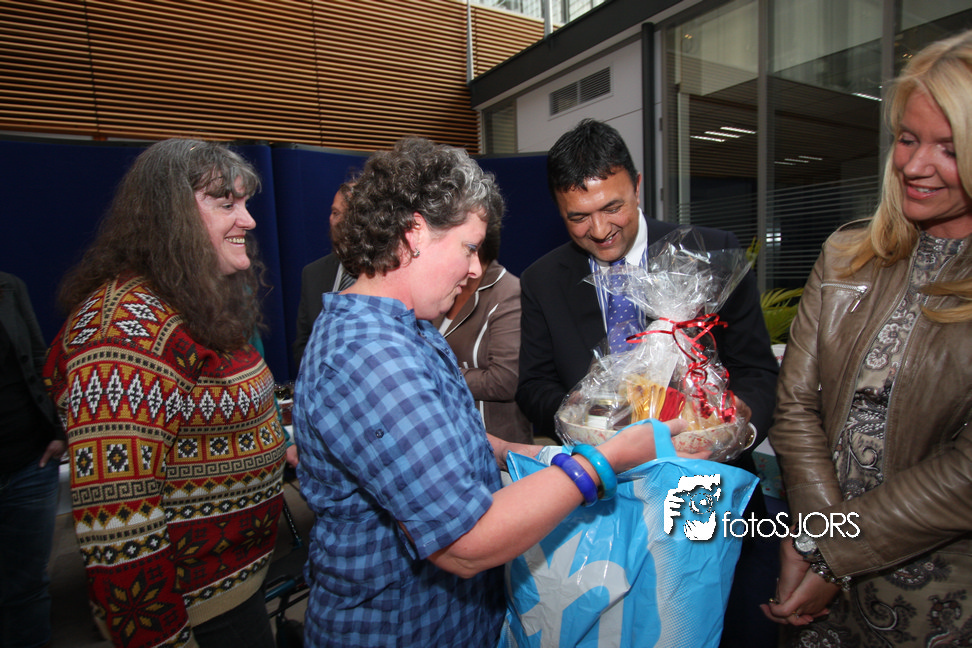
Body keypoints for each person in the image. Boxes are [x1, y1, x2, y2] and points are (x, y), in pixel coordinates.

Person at [293, 135, 698, 647]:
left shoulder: (406, 328)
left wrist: (516, 452)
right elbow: (467, 544)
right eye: (468, 247)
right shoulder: (372, 355)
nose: (473, 268)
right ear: (414, 233)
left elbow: (434, 449)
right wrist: (607, 459)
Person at [515, 118, 781, 647]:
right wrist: (589, 417)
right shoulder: (543, 279)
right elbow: (533, 385)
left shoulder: (710, 254)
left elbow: (757, 372)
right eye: (578, 217)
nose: (599, 230)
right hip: (603, 505)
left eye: (613, 207)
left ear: (637, 186)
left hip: (709, 493)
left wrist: (732, 430)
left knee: (726, 628)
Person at [763, 30, 972, 646]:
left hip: (937, 600)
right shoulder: (846, 253)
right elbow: (796, 407)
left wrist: (832, 554)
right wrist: (817, 542)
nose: (914, 165)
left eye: (948, 148)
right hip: (816, 572)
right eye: (907, 139)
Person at [44, 139, 286, 648]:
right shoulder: (120, 333)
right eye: (226, 203)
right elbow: (119, 529)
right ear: (168, 215)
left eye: (246, 203)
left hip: (232, 589)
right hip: (194, 611)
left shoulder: (188, 301)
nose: (248, 220)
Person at [0, 272, 65, 648]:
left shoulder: (9, 287)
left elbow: (40, 358)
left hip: (29, 461)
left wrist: (57, 430)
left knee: (27, 587)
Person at [436, 190, 533, 444]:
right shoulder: (441, 290)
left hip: (495, 445)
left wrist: (435, 372)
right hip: (448, 438)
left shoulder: (509, 292)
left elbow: (505, 381)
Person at [293, 179, 357, 368]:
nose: (332, 220)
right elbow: (302, 345)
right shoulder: (313, 274)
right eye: (333, 212)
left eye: (338, 213)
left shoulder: (391, 274)